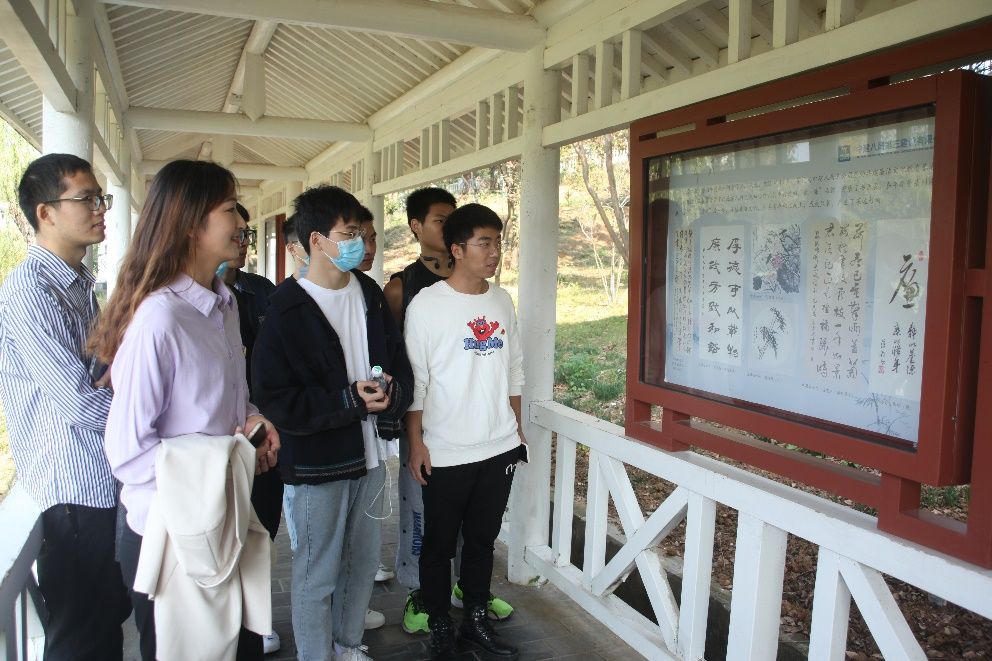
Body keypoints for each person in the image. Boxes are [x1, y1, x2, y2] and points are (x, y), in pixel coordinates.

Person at [92, 159, 280, 661]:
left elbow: (228, 401)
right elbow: (128, 451)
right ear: (191, 223)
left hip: (222, 519)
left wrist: (253, 420)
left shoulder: (225, 305)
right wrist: (219, 463)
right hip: (175, 532)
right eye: (228, 210)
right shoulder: (159, 318)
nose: (240, 222)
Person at [251, 185, 413, 661]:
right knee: (316, 571)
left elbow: (395, 360)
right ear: (316, 240)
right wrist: (347, 400)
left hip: (371, 457)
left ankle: (347, 644)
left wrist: (391, 391)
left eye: (361, 233)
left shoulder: (368, 293)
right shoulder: (286, 308)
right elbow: (274, 398)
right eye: (349, 234)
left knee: (362, 563)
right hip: (318, 464)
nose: (359, 243)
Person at [0, 153, 130, 661]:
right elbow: (80, 399)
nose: (100, 209)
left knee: (104, 627)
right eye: (87, 199)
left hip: (99, 483)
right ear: (45, 212)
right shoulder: (31, 290)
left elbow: (99, 373)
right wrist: (144, 418)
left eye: (101, 198)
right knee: (81, 639)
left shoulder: (77, 283)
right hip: (73, 494)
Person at [383, 188, 514, 636]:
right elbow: (413, 378)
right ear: (456, 248)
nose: (494, 252)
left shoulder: (500, 299)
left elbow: (513, 368)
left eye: (497, 241)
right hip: (439, 442)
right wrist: (415, 440)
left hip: (494, 444)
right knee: (431, 536)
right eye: (484, 243)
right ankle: (430, 607)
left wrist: (514, 430)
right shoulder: (417, 297)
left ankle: (473, 605)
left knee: (480, 537)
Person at [222, 203, 284, 655]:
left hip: (262, 433)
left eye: (247, 234)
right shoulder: (171, 308)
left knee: (262, 529)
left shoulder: (260, 291)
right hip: (217, 454)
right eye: (235, 231)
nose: (243, 242)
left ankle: (257, 622)